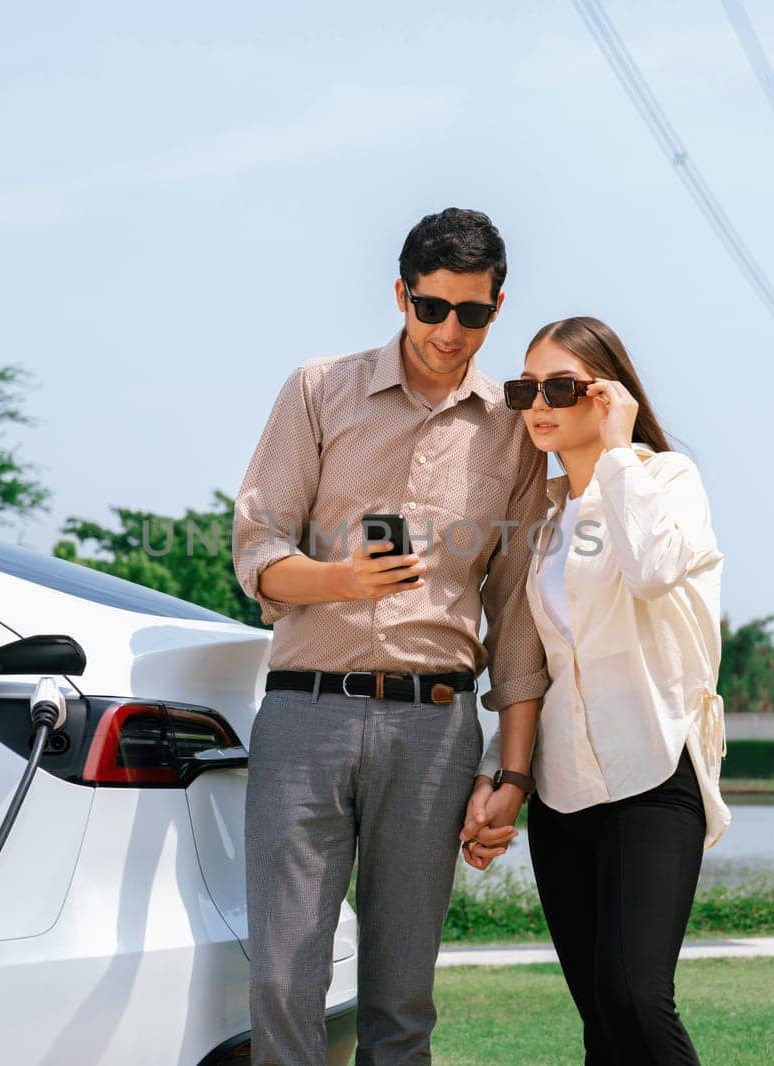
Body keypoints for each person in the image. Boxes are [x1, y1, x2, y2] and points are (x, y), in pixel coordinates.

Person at [231, 207, 548, 1064]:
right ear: (401, 295)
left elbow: (517, 614)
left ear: (497, 306)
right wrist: (340, 580)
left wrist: (511, 774)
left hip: (435, 727)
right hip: (306, 716)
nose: (451, 331)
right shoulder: (318, 389)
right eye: (433, 308)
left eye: (474, 314)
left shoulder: (516, 430)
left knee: (402, 1001)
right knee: (283, 978)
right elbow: (257, 546)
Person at [461, 316, 731, 1066]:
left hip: (651, 771)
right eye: (525, 389)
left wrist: (617, 449)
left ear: (608, 394)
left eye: (560, 387)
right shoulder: (541, 519)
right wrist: (501, 772)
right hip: (563, 792)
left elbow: (648, 567)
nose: (538, 405)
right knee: (600, 1026)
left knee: (635, 999)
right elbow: (537, 666)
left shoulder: (666, 480)